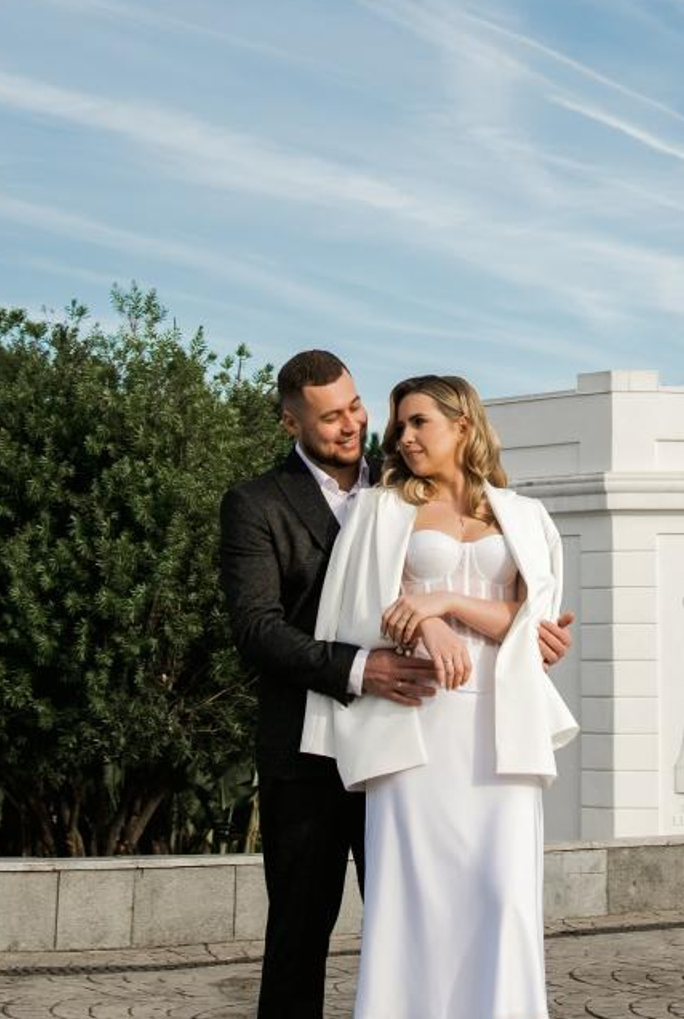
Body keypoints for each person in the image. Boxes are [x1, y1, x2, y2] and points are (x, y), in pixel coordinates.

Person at [221, 352, 574, 1019]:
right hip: (334, 734)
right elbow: (259, 629)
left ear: (462, 425)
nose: (359, 426)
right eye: (332, 417)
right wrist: (377, 657)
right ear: (290, 422)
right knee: (312, 926)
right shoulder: (271, 505)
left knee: (487, 899)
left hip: (469, 729)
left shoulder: (479, 504)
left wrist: (525, 634)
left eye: (357, 408)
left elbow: (525, 612)